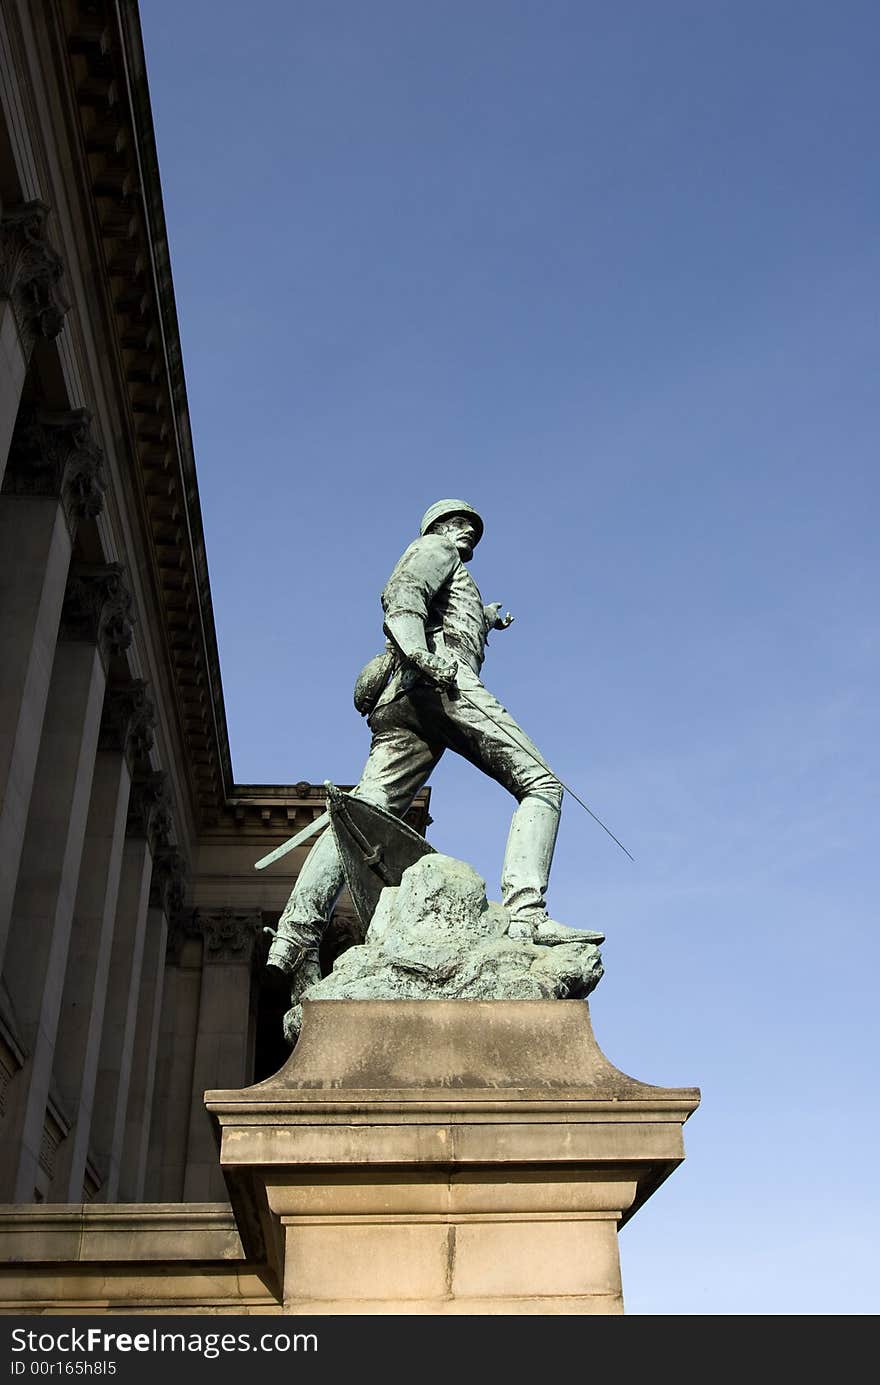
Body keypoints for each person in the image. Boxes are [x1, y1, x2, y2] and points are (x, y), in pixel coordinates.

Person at [265, 499, 564, 999]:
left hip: (404, 701)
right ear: (438, 527)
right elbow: (403, 596)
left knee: (366, 808)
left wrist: (486, 617)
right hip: (439, 683)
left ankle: (296, 934)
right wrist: (423, 656)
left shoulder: (459, 575)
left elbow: (450, 613)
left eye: (471, 525)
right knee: (542, 786)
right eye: (457, 522)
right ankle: (527, 914)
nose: (466, 530)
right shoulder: (436, 548)